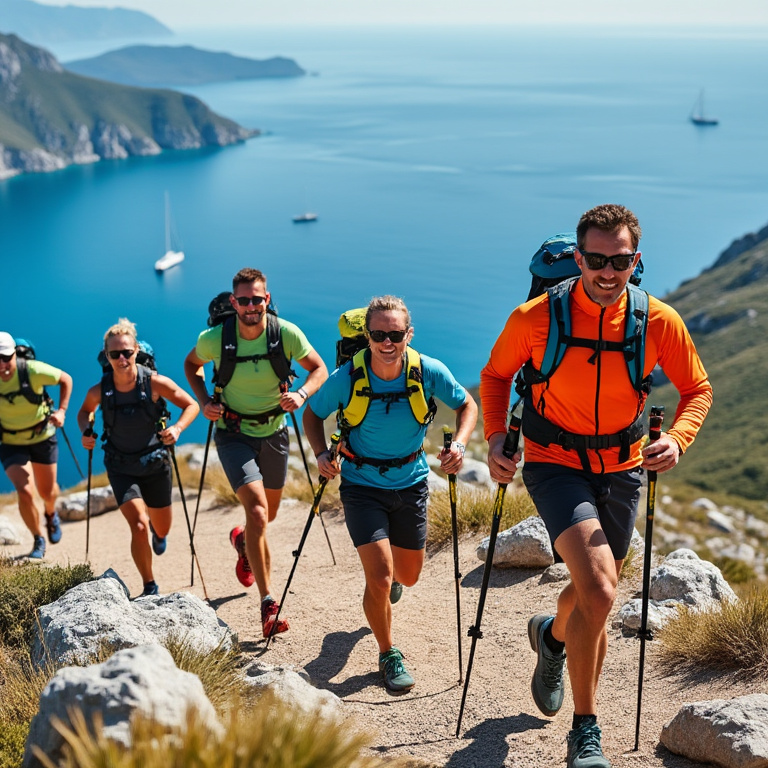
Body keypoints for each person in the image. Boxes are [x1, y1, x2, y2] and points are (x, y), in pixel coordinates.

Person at [480, 204, 713, 768]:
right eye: (597, 260)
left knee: (592, 588)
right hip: (554, 463)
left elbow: (697, 389)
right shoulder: (534, 318)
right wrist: (493, 438)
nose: (608, 273)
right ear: (579, 258)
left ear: (637, 261)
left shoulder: (658, 321)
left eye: (621, 260)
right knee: (604, 592)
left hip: (623, 467)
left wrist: (677, 440)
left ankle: (552, 636)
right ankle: (586, 728)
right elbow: (494, 376)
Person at [302, 295, 477, 693]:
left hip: (412, 482)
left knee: (408, 576)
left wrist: (460, 446)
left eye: (395, 334)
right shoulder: (348, 377)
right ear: (367, 335)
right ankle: (387, 652)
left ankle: (387, 582)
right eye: (378, 334)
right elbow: (311, 413)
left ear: (407, 334)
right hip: (362, 485)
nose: (386, 342)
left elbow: (466, 404)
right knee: (379, 579)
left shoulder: (425, 370)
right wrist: (319, 454)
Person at [183, 267, 328, 638]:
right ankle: (268, 604)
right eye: (243, 300)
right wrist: (203, 401)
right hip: (233, 433)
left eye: (257, 299)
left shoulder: (286, 334)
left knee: (269, 514)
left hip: (275, 432)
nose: (251, 306)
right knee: (259, 513)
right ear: (234, 303)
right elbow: (191, 365)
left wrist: (301, 394)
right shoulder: (215, 338)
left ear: (267, 299)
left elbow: (319, 369)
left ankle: (242, 542)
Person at [77, 319, 200, 597]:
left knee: (161, 527)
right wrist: (86, 430)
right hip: (120, 465)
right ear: (106, 357)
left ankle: (160, 535)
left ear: (136, 351)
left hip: (156, 462)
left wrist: (177, 428)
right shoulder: (100, 391)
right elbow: (84, 412)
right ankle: (149, 584)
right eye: (115, 354)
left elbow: (191, 404)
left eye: (127, 353)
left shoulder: (154, 383)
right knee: (139, 524)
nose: (122, 359)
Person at [0, 331, 74, 559]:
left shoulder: (33, 370)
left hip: (43, 437)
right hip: (10, 441)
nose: (1, 364)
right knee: (25, 490)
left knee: (48, 492)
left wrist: (62, 412)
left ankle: (50, 513)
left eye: (5, 358)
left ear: (14, 354)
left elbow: (66, 379)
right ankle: (38, 538)